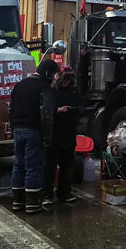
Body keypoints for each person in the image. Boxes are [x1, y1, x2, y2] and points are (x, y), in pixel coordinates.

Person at [9, 59, 59, 214]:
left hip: (17, 130)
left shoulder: (19, 85)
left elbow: (10, 109)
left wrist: (13, 129)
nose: (54, 78)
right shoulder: (43, 88)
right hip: (33, 131)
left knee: (19, 164)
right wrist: (48, 138)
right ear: (48, 73)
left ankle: (18, 201)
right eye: (54, 74)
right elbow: (47, 115)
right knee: (33, 167)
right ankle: (32, 203)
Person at [41, 67, 82, 206]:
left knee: (66, 165)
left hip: (68, 132)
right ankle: (47, 194)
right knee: (50, 165)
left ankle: (64, 193)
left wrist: (74, 111)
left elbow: (81, 108)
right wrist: (58, 110)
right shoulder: (51, 91)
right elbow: (45, 111)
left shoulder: (73, 92)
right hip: (54, 133)